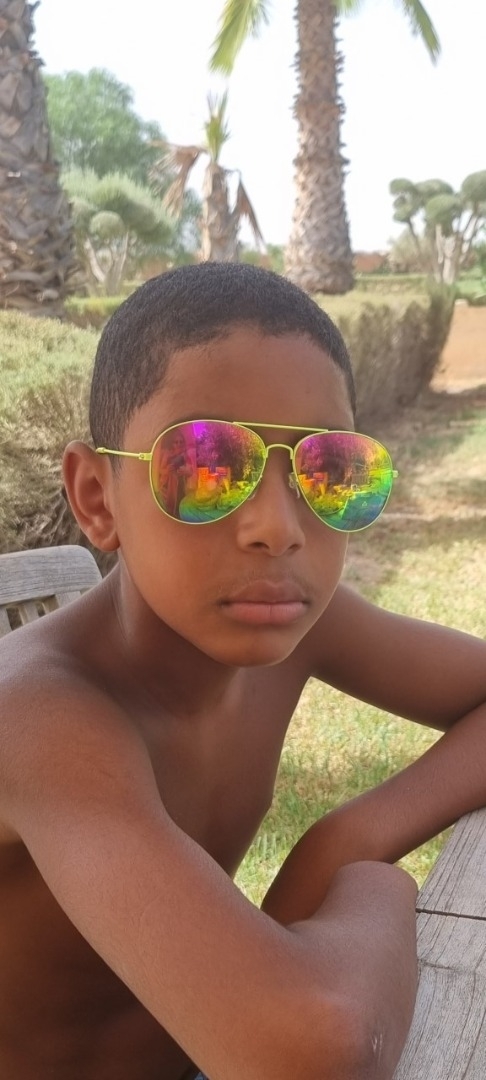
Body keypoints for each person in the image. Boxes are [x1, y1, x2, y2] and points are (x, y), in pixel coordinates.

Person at [0, 262, 485, 1080]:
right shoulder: (38, 720)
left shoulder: (299, 624)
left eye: (330, 470)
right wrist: (375, 886)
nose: (277, 526)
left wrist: (347, 837)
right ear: (97, 497)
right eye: (205, 464)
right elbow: (312, 1050)